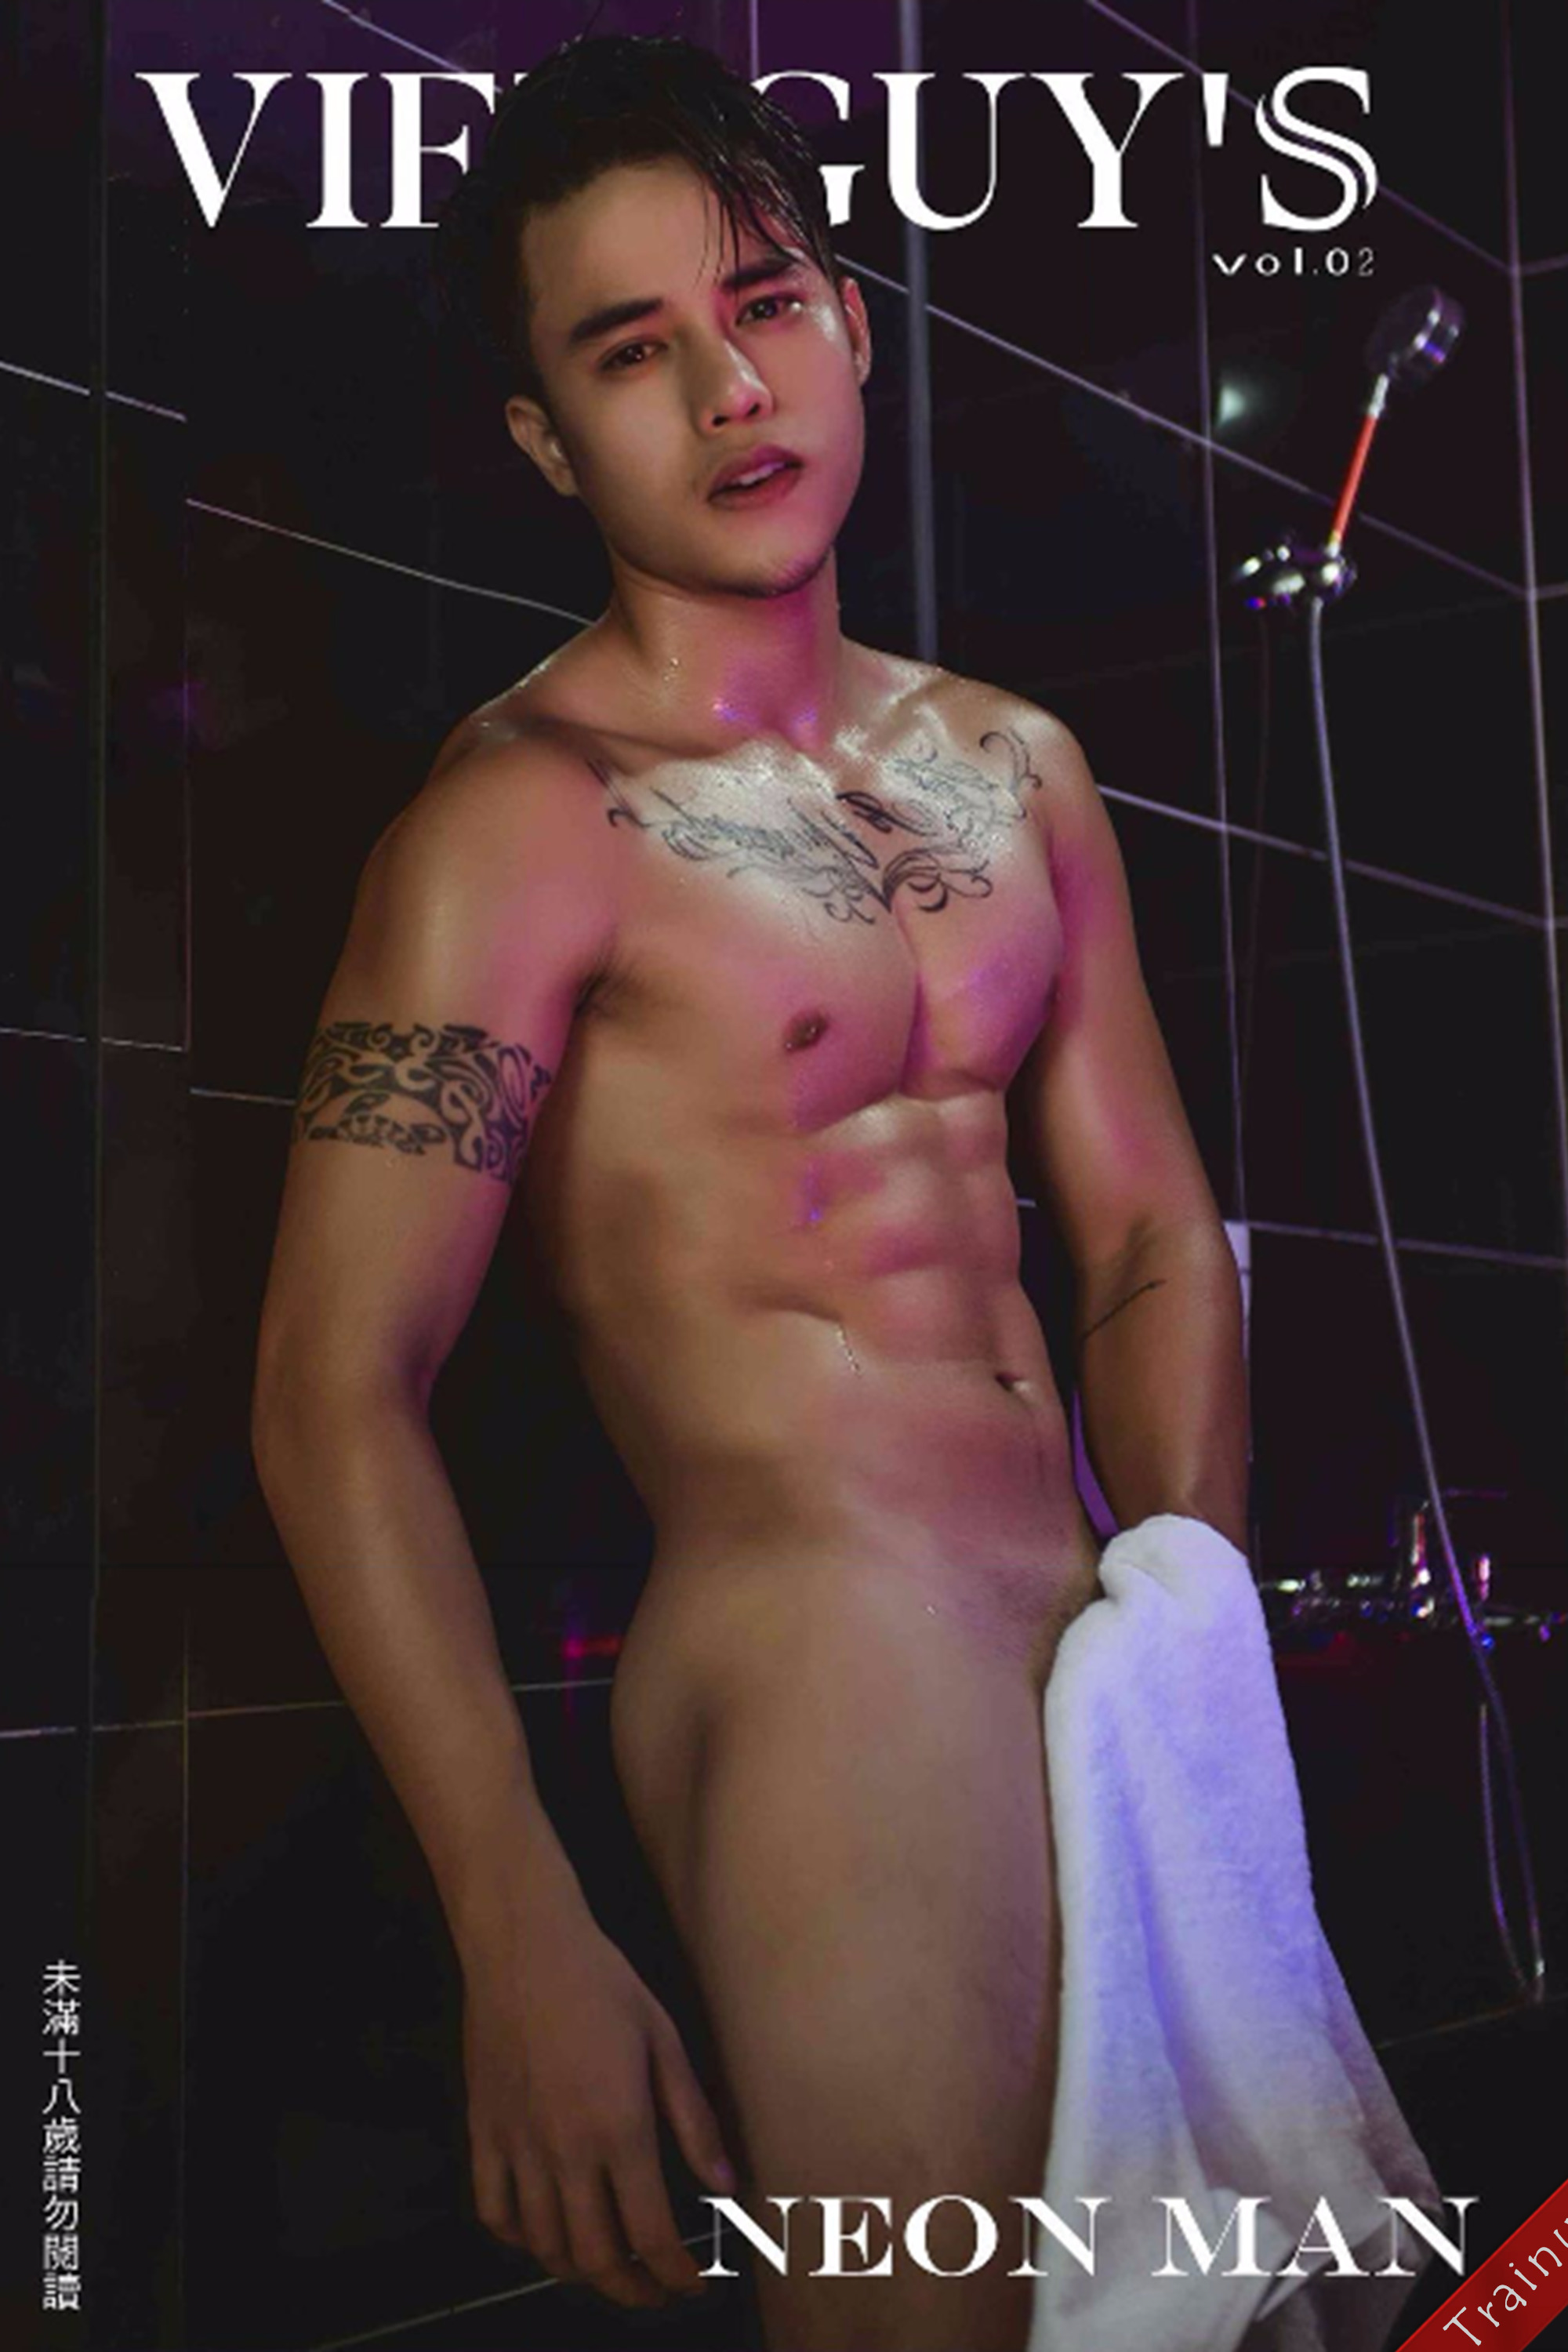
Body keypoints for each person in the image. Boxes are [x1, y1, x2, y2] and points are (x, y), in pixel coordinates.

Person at [249, 31, 1249, 2351]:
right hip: (825, 1657)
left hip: (1097, 1640)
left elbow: (1147, 1237)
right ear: (546, 439)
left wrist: (1189, 1622)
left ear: (851, 322)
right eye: (631, 350)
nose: (728, 388)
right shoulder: (520, 822)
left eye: (766, 301)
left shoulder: (1017, 768)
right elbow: (331, 1387)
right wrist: (514, 1915)